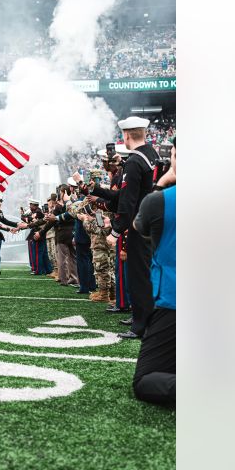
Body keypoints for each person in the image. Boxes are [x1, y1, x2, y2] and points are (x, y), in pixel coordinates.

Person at [132, 139, 176, 408]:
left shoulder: (159, 201)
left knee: (145, 379)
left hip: (174, 304)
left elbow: (140, 227)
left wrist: (162, 182)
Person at [107, 116, 159, 339]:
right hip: (154, 222)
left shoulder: (134, 161)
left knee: (139, 276)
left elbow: (128, 202)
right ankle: (141, 315)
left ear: (126, 135)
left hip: (140, 226)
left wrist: (115, 230)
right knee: (147, 274)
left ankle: (140, 325)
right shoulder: (152, 155)